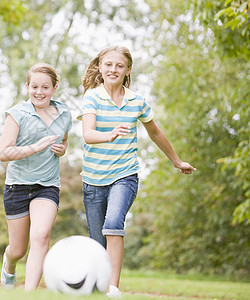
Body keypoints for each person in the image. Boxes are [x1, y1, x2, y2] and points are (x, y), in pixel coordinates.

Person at [79, 45, 196, 298]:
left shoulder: (137, 101)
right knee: (98, 243)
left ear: (127, 70)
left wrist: (176, 161)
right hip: (93, 179)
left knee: (113, 224)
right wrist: (109, 135)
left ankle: (113, 288)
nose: (113, 69)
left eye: (119, 65)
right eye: (108, 64)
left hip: (125, 175)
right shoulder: (91, 98)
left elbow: (155, 133)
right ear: (100, 66)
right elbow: (88, 135)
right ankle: (98, 288)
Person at [0, 63, 72, 290]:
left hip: (47, 186)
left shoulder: (64, 114)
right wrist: (35, 147)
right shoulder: (17, 114)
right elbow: (3, 153)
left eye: (45, 87)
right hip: (17, 186)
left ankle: (28, 293)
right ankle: (9, 265)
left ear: (55, 87)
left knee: (40, 236)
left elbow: (64, 139)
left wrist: (63, 149)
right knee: (18, 250)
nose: (40, 92)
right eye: (35, 87)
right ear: (27, 87)